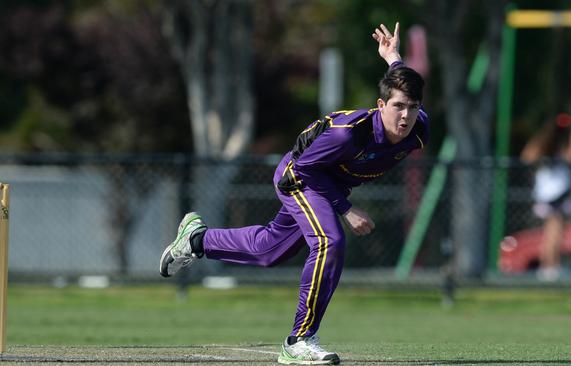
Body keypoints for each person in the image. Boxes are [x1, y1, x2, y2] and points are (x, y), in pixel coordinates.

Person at [159, 22, 428, 365]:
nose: (405, 115)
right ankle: (299, 339)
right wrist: (346, 209)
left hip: (325, 180)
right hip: (299, 175)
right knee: (330, 241)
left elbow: (402, 86)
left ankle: (196, 240)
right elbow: (303, 171)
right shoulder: (349, 135)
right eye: (398, 106)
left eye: (413, 107)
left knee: (269, 249)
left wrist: (393, 57)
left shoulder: (418, 130)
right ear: (380, 104)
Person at [520, 113, 571, 281]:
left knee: (552, 234)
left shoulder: (553, 145)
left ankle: (549, 266)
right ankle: (549, 267)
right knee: (553, 234)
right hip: (555, 195)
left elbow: (526, 156)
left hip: (551, 194)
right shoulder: (548, 145)